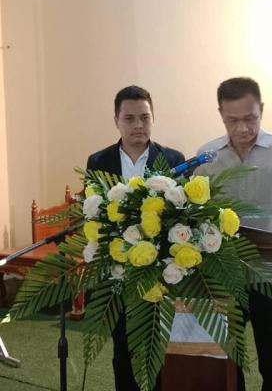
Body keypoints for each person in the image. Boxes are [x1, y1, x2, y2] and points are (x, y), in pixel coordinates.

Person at [195, 77, 272, 391]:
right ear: (221, 115)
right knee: (226, 361)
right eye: (232, 120)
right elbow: (194, 211)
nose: (243, 128)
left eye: (250, 118)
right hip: (223, 275)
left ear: (261, 109)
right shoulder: (207, 156)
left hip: (270, 275)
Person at [87, 85, 185, 391]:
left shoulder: (173, 159)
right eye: (129, 118)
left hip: (160, 274)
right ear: (116, 120)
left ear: (153, 118)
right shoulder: (98, 162)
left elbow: (183, 217)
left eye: (145, 117)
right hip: (116, 273)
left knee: (159, 348)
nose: (138, 125)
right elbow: (93, 214)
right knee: (123, 349)